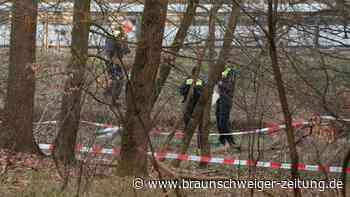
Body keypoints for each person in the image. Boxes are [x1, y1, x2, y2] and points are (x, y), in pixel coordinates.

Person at [104, 23, 130, 105]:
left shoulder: (122, 37)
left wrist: (125, 42)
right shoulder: (112, 37)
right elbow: (109, 53)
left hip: (116, 60)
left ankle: (108, 93)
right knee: (118, 80)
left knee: (113, 78)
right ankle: (114, 100)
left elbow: (126, 51)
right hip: (111, 60)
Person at [179, 67, 205, 149]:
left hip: (198, 106)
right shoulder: (188, 80)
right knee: (187, 125)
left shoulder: (201, 81)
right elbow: (181, 91)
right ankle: (184, 144)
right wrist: (188, 87)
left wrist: (197, 90)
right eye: (195, 73)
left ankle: (200, 146)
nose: (197, 75)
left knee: (201, 127)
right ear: (192, 73)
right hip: (188, 106)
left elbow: (205, 93)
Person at [216, 64, 240, 150]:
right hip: (219, 98)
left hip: (226, 98)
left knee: (223, 121)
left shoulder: (231, 72)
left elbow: (229, 86)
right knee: (218, 120)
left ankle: (231, 142)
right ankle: (222, 141)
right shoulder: (222, 71)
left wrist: (219, 82)